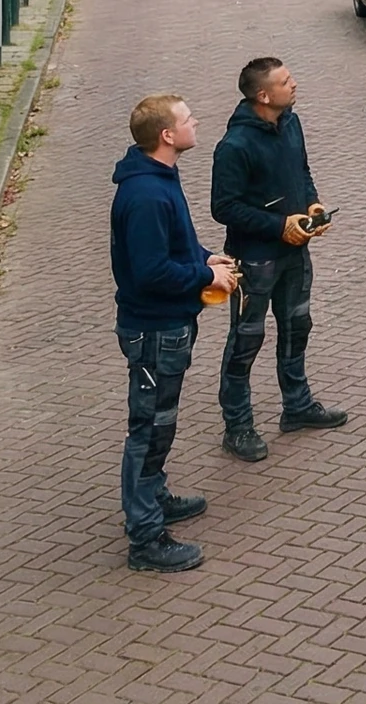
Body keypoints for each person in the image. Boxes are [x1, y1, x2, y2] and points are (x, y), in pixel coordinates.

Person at [111, 94, 236, 572]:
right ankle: (145, 539)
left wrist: (204, 256)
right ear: (167, 136)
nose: (195, 121)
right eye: (187, 119)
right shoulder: (144, 195)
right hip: (154, 330)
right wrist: (207, 279)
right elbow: (149, 271)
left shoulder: (160, 176)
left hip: (168, 326)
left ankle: (155, 497)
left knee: (160, 424)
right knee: (149, 429)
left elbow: (175, 241)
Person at [209, 56, 347, 460]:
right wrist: (277, 226)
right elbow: (224, 208)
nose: (295, 84)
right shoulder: (234, 146)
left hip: (295, 254)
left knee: (297, 326)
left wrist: (313, 205)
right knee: (246, 340)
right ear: (263, 95)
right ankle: (237, 426)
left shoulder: (291, 122)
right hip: (254, 261)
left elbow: (301, 171)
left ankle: (297, 405)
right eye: (286, 82)